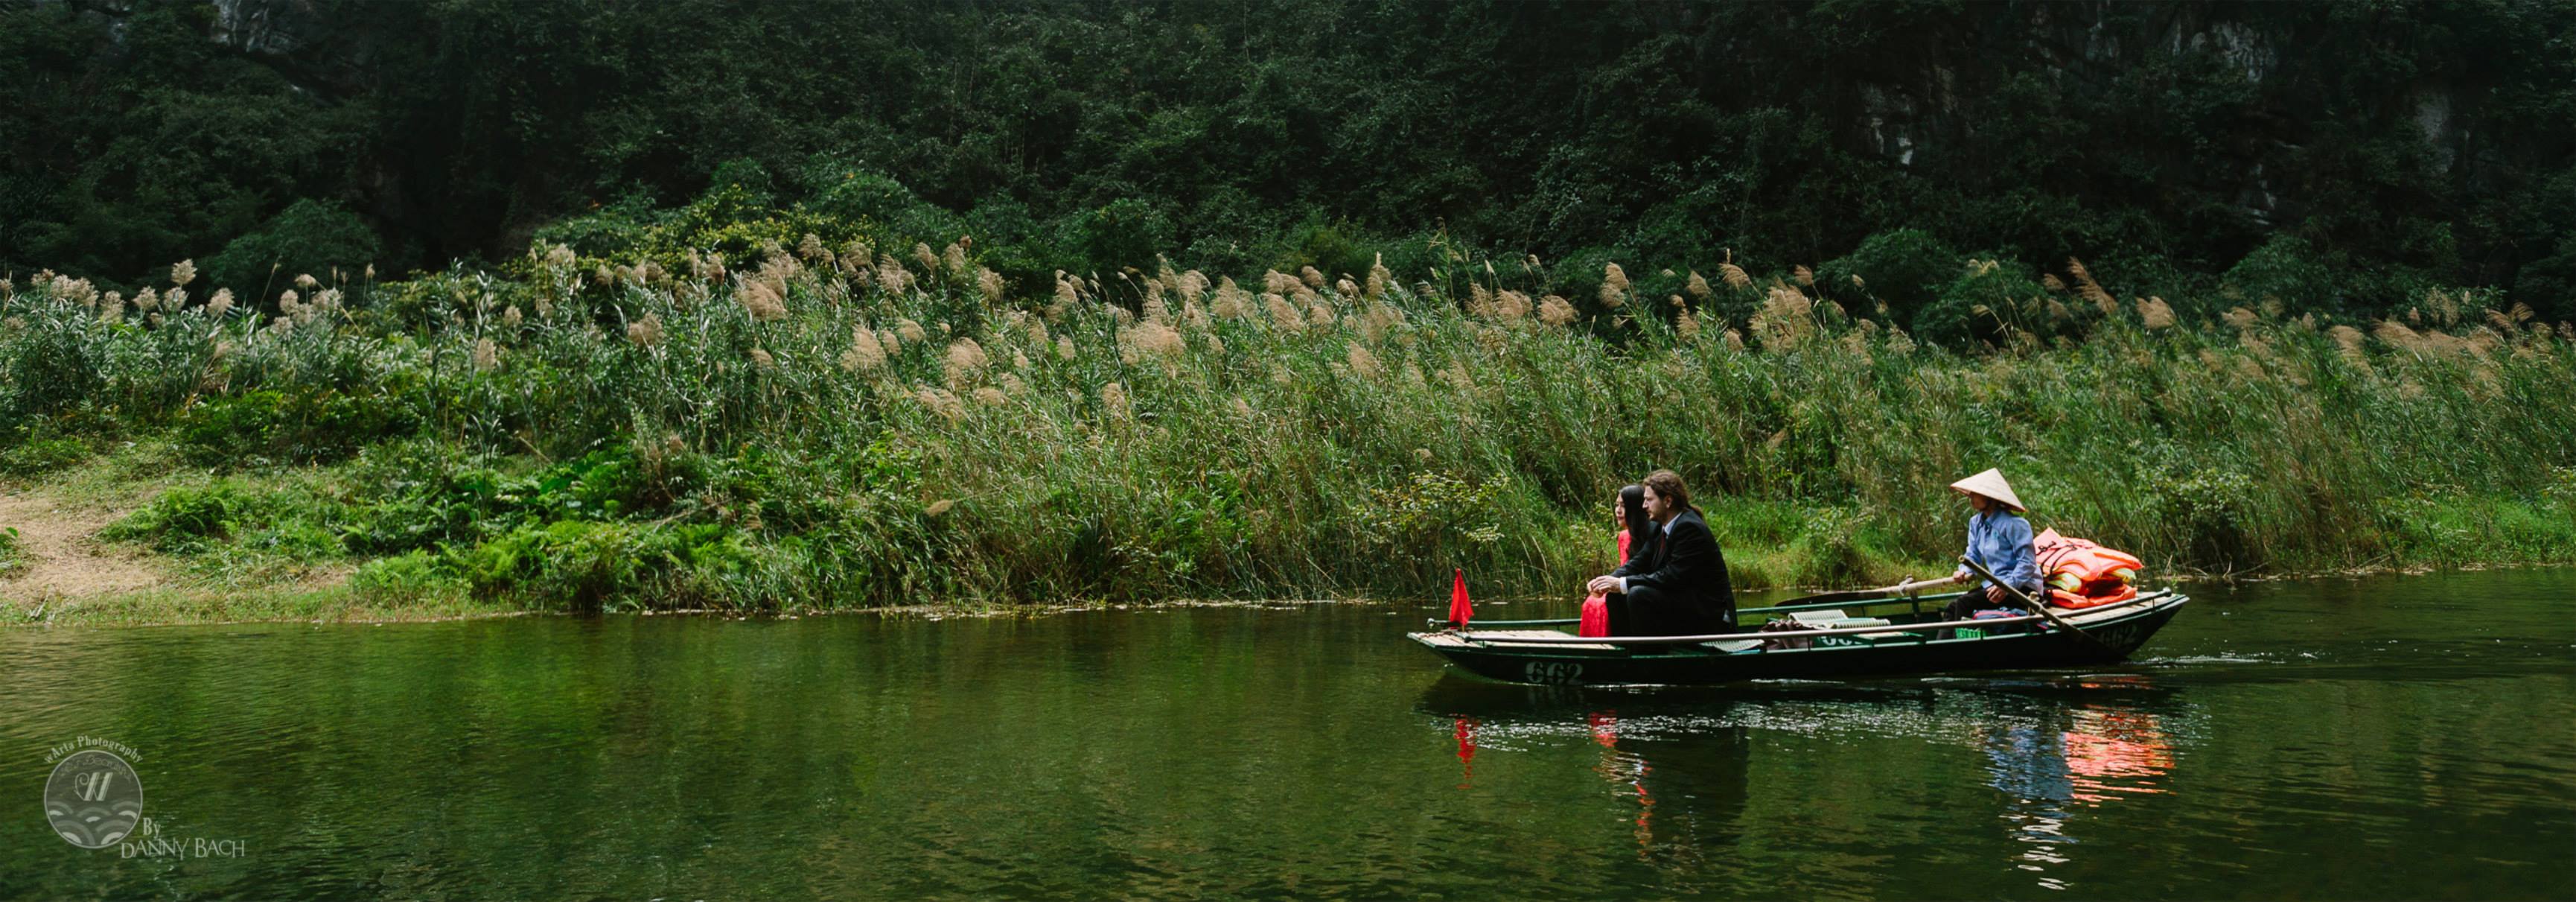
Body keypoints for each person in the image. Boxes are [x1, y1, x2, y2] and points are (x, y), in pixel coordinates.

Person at [1587, 470, 1735, 635]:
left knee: (1638, 594)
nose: (1644, 506)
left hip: (1710, 615)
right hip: (1685, 604)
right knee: (1616, 595)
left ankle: (1648, 654)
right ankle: (1626, 651)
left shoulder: (1689, 528)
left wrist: (1622, 583)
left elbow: (1671, 576)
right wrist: (1607, 581)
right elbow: (1639, 562)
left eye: (1649, 500)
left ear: (1668, 501)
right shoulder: (1659, 526)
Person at [1946, 468, 2042, 620]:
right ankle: (1944, 644)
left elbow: (2027, 564)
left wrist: (2007, 587)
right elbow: (1973, 556)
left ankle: (1961, 643)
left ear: (1990, 497)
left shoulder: (2015, 524)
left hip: (2021, 588)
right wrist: (1963, 571)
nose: (1970, 497)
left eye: (1976, 493)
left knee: (1963, 604)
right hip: (1997, 585)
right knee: (1952, 607)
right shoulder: (1976, 523)